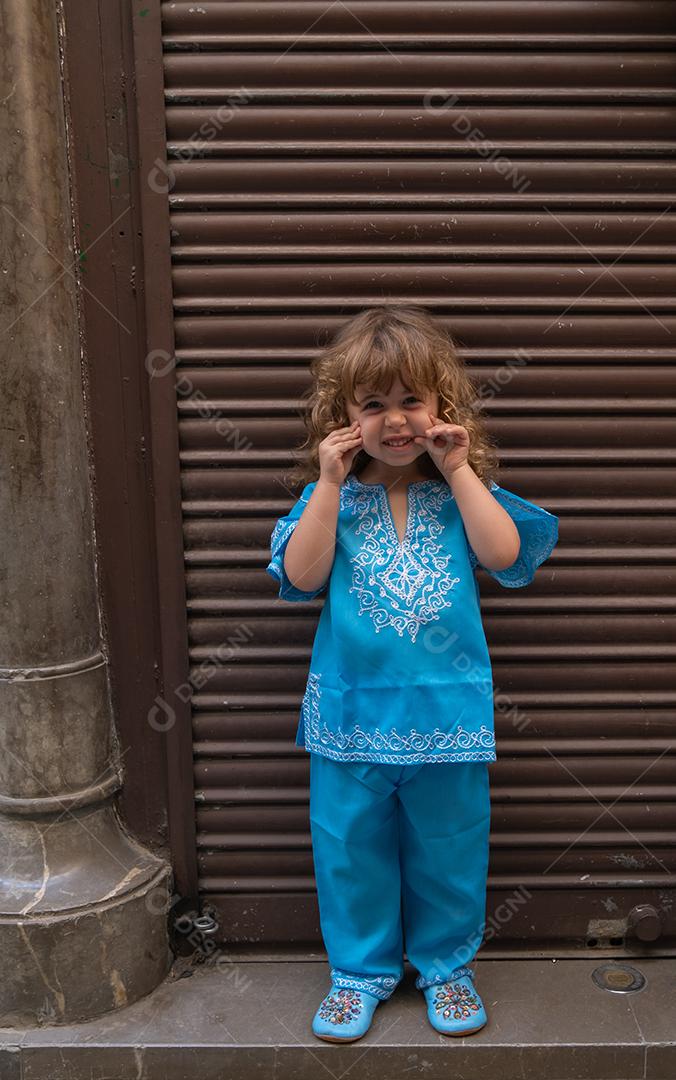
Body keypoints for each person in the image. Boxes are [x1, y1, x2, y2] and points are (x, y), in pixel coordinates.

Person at [266, 306, 559, 1042]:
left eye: (410, 402)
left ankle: (446, 967)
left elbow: (502, 556)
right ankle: (358, 974)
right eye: (373, 406)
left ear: (440, 409)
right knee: (348, 848)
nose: (394, 421)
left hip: (447, 717)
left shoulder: (460, 497)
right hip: (351, 721)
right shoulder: (329, 500)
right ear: (343, 418)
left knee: (452, 845)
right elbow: (301, 576)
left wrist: (459, 467)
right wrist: (329, 484)